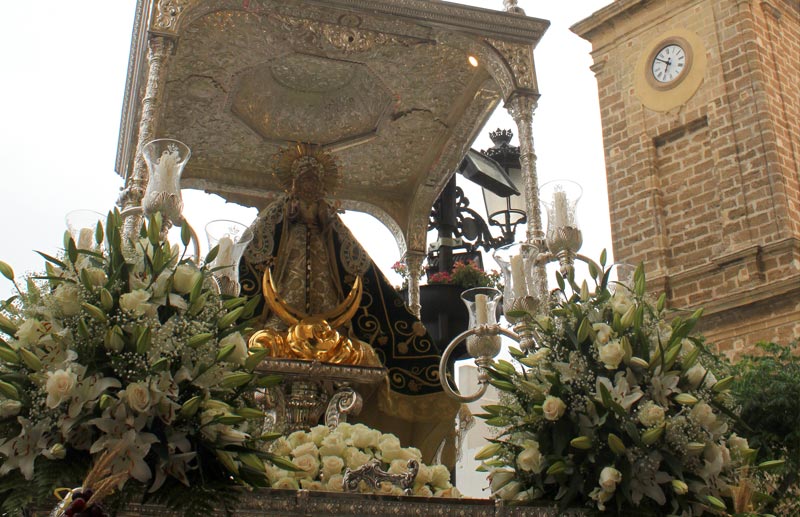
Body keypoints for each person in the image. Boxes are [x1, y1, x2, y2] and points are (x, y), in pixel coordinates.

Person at [240, 144, 459, 466]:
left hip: (331, 309)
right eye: (305, 178)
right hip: (282, 296)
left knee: (355, 352)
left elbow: (356, 267)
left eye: (315, 179)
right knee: (266, 343)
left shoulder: (327, 217)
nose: (311, 185)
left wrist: (326, 223)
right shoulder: (282, 213)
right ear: (294, 182)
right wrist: (285, 218)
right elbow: (254, 253)